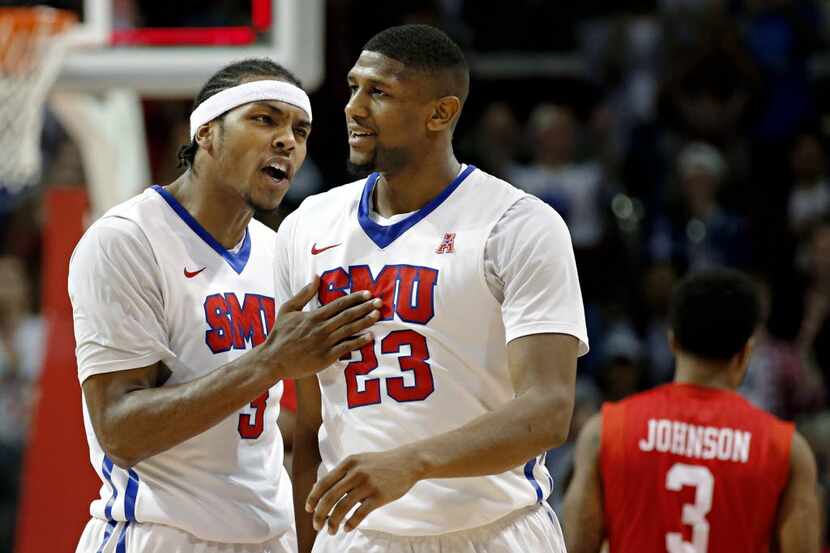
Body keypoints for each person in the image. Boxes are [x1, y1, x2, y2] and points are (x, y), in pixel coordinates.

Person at [277, 25, 589, 553]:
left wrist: (414, 461)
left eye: (378, 92)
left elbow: (549, 410)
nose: (353, 107)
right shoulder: (307, 226)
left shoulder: (518, 225)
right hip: (358, 538)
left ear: (440, 113)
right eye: (353, 87)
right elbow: (309, 426)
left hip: (495, 530)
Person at [68, 59, 383, 553]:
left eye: (300, 130)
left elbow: (277, 425)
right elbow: (120, 431)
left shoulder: (280, 252)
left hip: (266, 535)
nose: (287, 141)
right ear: (208, 132)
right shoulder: (126, 241)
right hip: (159, 535)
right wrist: (269, 363)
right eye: (264, 119)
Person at [563, 269, 820, 553]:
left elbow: (576, 547)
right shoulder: (787, 451)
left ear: (672, 341)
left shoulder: (604, 432)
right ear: (746, 353)